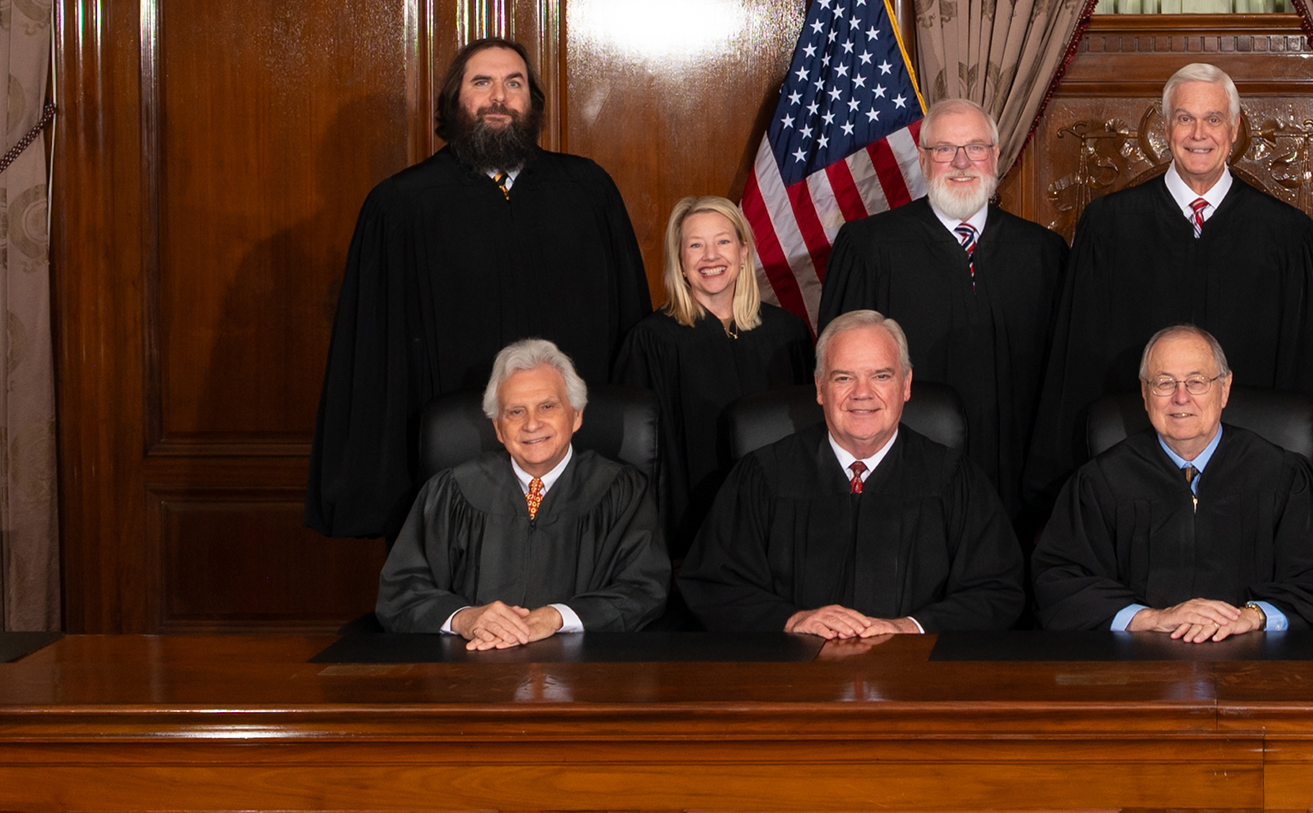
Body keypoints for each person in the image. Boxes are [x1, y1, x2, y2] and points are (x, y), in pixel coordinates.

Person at [307, 38, 651, 538]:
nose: (499, 97)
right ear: (455, 101)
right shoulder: (401, 206)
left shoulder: (587, 190)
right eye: (482, 83)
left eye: (514, 84)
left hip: (574, 466)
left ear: (531, 101)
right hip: (452, 467)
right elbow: (374, 355)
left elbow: (628, 327)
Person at [1027, 63, 1313, 525]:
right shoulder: (1109, 227)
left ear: (1234, 129)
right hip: (1132, 479)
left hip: (1252, 485)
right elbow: (1077, 361)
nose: (1199, 133)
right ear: (1166, 129)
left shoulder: (1286, 235)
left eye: (1213, 119)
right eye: (1185, 118)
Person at [677, 310, 1024, 636]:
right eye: (843, 377)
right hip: (793, 684)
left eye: (881, 376)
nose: (862, 394)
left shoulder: (954, 479)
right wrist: (793, 620)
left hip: (917, 683)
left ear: (905, 385)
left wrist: (911, 628)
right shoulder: (765, 476)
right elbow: (713, 584)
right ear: (819, 387)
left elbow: (997, 590)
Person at [1033, 325, 1313, 637]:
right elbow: (1059, 587)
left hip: (1260, 671)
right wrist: (1151, 619)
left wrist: (1253, 616)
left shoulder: (1283, 476)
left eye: (1196, 381)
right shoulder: (1101, 482)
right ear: (1145, 393)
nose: (1181, 398)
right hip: (1139, 672)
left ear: (1224, 389)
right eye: (1164, 383)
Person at [819, 99, 1066, 519]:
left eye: (976, 147)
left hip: (1016, 481)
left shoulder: (1044, 253)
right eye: (945, 149)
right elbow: (839, 373)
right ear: (922, 157)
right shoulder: (870, 247)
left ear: (996, 155)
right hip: (902, 483)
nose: (962, 162)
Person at [375, 339, 668, 646]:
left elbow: (643, 589)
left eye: (547, 406)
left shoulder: (621, 492)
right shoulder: (451, 491)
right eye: (515, 412)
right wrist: (464, 618)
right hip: (471, 672)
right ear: (498, 427)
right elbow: (400, 591)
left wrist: (557, 616)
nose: (532, 424)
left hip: (584, 673)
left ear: (577, 415)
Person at [616, 195, 816, 552]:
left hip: (780, 527)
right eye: (695, 245)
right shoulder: (651, 342)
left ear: (743, 252)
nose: (711, 257)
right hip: (691, 535)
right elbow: (640, 461)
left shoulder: (788, 334)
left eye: (723, 241)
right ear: (679, 260)